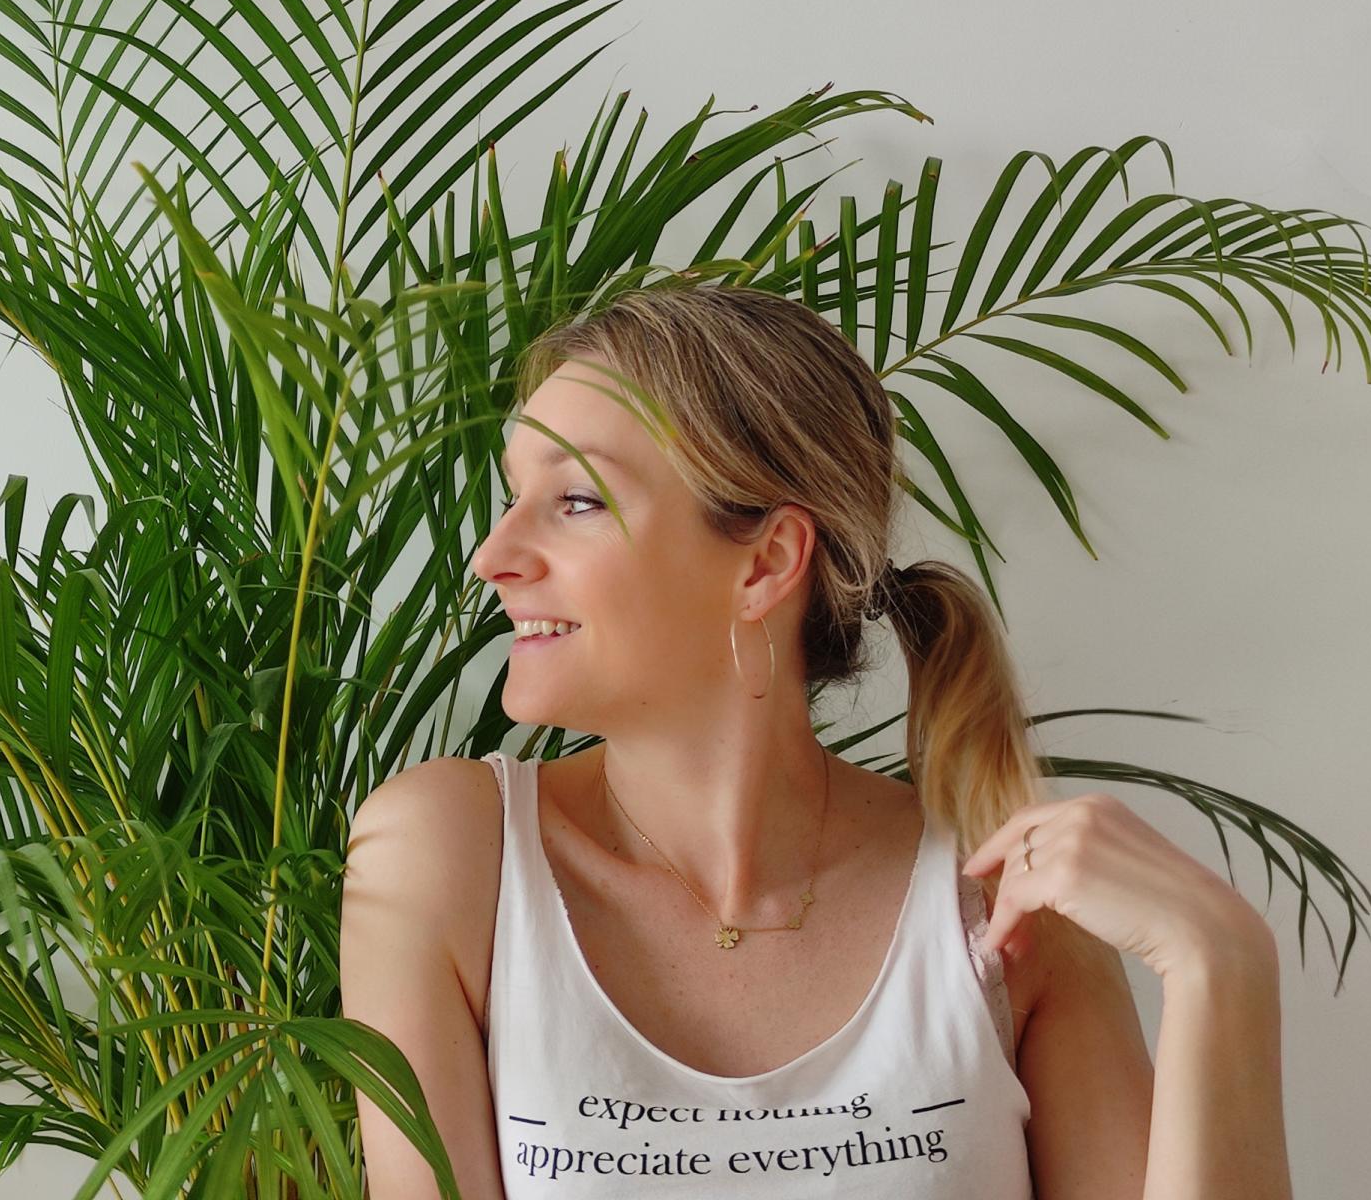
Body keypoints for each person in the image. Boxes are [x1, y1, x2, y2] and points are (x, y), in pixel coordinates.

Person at [340, 285, 1289, 1199]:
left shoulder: (1003, 897)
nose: (494, 556)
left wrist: (1222, 962)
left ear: (766, 562)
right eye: (515, 498)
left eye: (578, 501)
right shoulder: (451, 854)